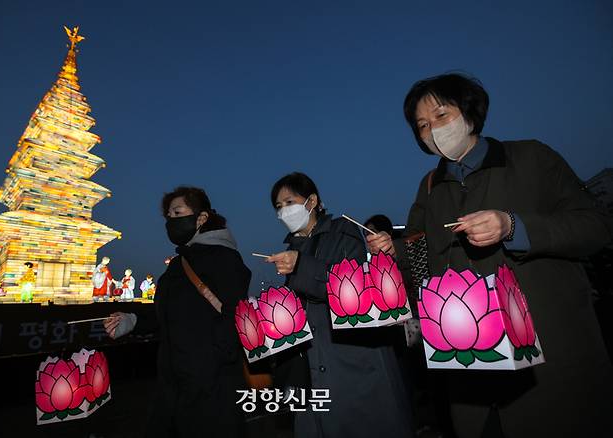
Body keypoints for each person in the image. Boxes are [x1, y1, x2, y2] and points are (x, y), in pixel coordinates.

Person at [367, 73, 613, 438]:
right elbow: (420, 250)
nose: (433, 130)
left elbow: (597, 226)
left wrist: (515, 227)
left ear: (469, 111)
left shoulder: (531, 157)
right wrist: (393, 247)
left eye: (441, 115)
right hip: (471, 375)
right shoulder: (430, 186)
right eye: (422, 126)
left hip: (551, 363)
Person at [266, 172, 413, 438]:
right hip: (313, 368)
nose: (283, 211)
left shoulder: (342, 232)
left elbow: (350, 288)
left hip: (353, 360)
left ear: (311, 201)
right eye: (278, 207)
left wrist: (301, 264)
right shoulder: (294, 247)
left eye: (289, 202)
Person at [104, 186, 251, 438]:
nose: (171, 220)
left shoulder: (224, 257)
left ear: (201, 218)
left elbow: (235, 313)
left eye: (177, 211)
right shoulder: (178, 264)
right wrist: (132, 320)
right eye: (168, 216)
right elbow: (167, 312)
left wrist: (211, 360)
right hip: (172, 382)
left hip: (212, 385)